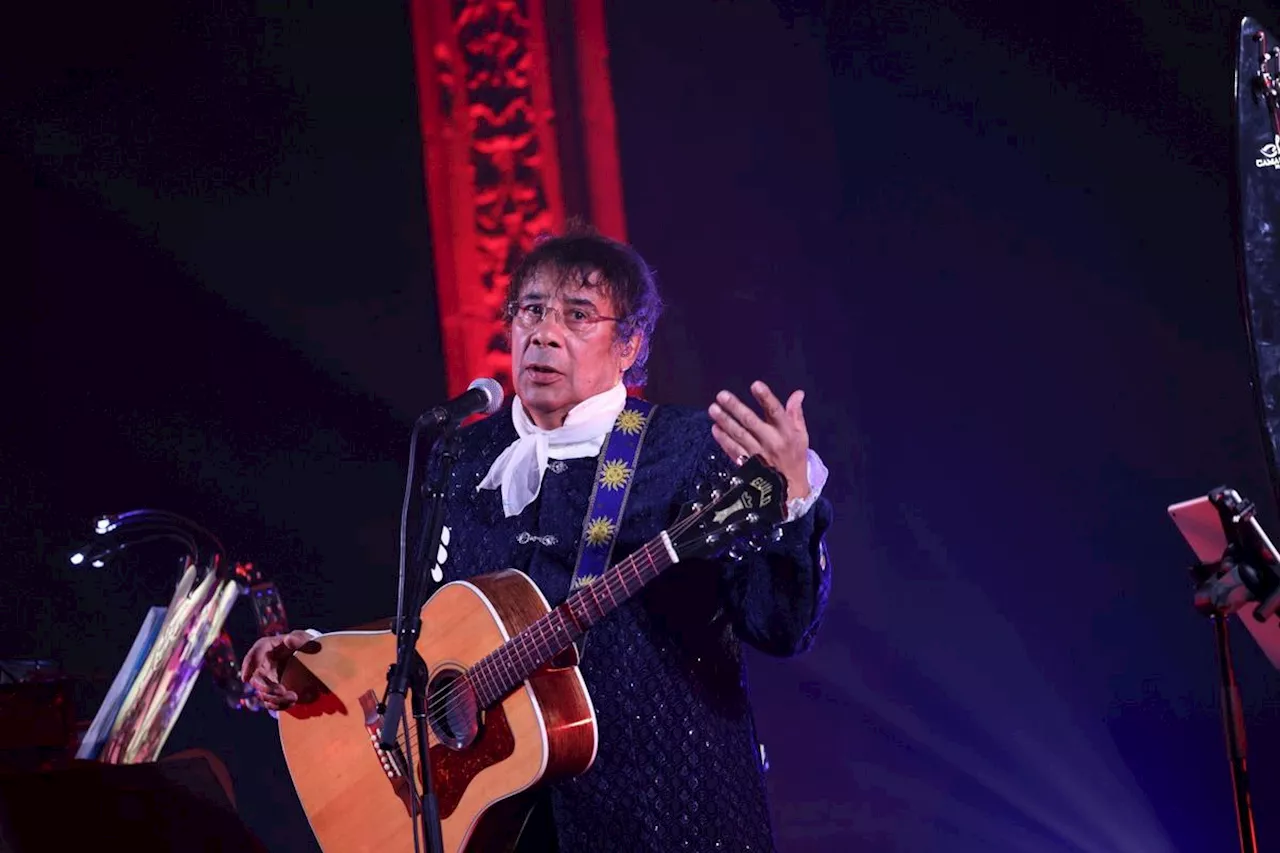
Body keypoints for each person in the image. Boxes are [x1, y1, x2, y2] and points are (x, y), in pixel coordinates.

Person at [242, 224, 834, 852]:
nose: (544, 332)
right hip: (502, 823)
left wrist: (793, 506)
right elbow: (432, 627)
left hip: (664, 813)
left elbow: (780, 626)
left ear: (629, 343)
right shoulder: (464, 454)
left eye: (578, 315)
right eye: (531, 310)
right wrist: (320, 662)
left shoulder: (688, 449)